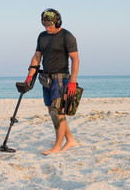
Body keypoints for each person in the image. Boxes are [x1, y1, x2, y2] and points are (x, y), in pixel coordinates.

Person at [24, 8, 79, 155]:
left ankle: (56, 147)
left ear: (58, 22)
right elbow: (37, 57)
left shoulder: (67, 36)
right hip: (46, 79)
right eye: (45, 25)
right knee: (52, 111)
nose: (47, 28)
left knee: (57, 112)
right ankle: (71, 140)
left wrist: (73, 81)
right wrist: (29, 77)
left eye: (50, 25)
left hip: (62, 79)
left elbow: (75, 59)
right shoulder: (42, 36)